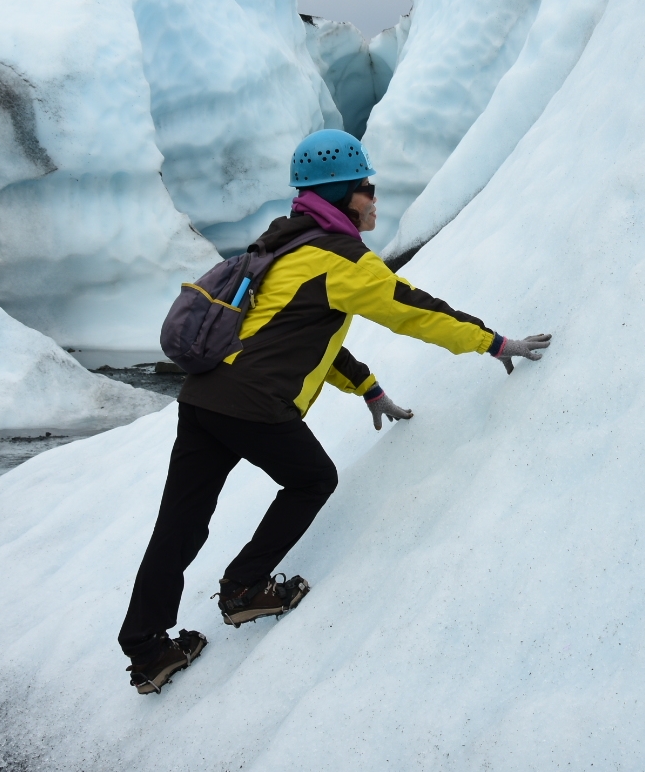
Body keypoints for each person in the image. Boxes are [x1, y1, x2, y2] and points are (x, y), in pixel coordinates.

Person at [118, 129, 551, 694]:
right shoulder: (340, 257)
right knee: (313, 479)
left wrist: (368, 389)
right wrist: (492, 342)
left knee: (178, 525)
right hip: (252, 404)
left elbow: (300, 338)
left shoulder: (286, 243)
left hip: (204, 399)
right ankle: (245, 588)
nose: (374, 197)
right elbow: (412, 310)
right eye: (367, 187)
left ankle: (147, 650)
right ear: (344, 192)